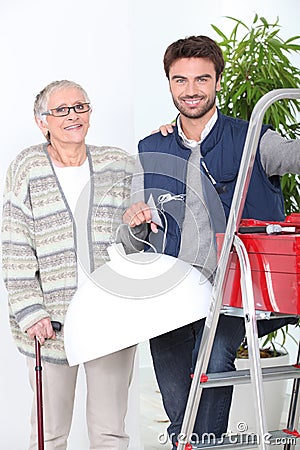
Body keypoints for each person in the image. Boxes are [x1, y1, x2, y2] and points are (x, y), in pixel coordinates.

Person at [122, 35, 300, 449]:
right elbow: (135, 240)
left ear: (218, 81)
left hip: (238, 290)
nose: (191, 90)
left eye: (202, 79)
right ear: (168, 84)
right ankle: (189, 442)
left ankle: (200, 445)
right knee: (175, 394)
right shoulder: (152, 148)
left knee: (216, 357)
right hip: (172, 289)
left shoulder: (253, 137)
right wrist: (135, 222)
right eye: (180, 80)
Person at [1, 79, 137, 450]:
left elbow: (146, 224)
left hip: (111, 316)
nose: (72, 116)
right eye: (61, 110)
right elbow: (14, 247)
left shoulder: (119, 163)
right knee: (49, 433)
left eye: (80, 107)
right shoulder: (27, 167)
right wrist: (31, 312)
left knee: (110, 430)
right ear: (41, 121)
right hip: (51, 322)